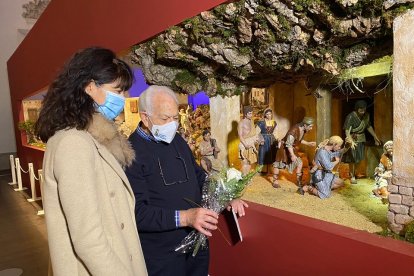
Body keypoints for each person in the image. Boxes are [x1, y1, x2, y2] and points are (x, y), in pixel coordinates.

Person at [34, 47, 147, 275]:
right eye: (118, 90)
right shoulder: (73, 143)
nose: (124, 98)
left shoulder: (90, 140)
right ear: (90, 87)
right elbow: (88, 239)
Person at [125, 85, 247, 276]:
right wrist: (185, 218)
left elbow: (199, 176)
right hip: (162, 255)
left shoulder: (176, 140)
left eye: (175, 118)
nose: (172, 124)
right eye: (165, 119)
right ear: (145, 117)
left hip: (196, 246)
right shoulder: (130, 153)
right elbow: (137, 213)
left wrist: (225, 196)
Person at [273, 117, 316, 193]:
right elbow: (288, 144)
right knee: (279, 164)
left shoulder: (303, 130)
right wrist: (292, 155)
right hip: (284, 148)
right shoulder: (294, 130)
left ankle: (299, 182)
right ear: (305, 125)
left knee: (300, 163)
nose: (311, 128)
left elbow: (299, 140)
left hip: (292, 148)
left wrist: (308, 143)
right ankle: (275, 181)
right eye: (310, 126)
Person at [343, 100, 381, 184]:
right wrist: (351, 141)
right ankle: (352, 175)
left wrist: (375, 137)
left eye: (364, 109)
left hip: (361, 139)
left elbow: (368, 126)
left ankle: (355, 173)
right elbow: (347, 131)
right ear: (357, 109)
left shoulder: (366, 116)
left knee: (359, 158)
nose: (363, 111)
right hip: (352, 139)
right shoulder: (351, 116)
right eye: (361, 109)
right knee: (352, 158)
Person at [238, 106, 262, 176]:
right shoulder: (241, 123)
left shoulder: (251, 121)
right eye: (249, 113)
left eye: (252, 113)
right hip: (244, 144)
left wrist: (256, 140)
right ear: (245, 114)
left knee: (249, 162)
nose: (251, 115)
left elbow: (254, 133)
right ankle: (243, 177)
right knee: (244, 162)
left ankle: (246, 178)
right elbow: (240, 136)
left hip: (251, 144)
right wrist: (245, 144)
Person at [257, 108, 278, 177]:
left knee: (270, 154)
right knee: (262, 154)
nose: (269, 115)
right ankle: (262, 170)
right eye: (267, 114)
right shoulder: (261, 123)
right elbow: (257, 132)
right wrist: (260, 139)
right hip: (264, 140)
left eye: (270, 114)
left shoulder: (274, 122)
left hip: (271, 140)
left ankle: (269, 170)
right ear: (265, 115)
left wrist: (277, 139)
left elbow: (275, 132)